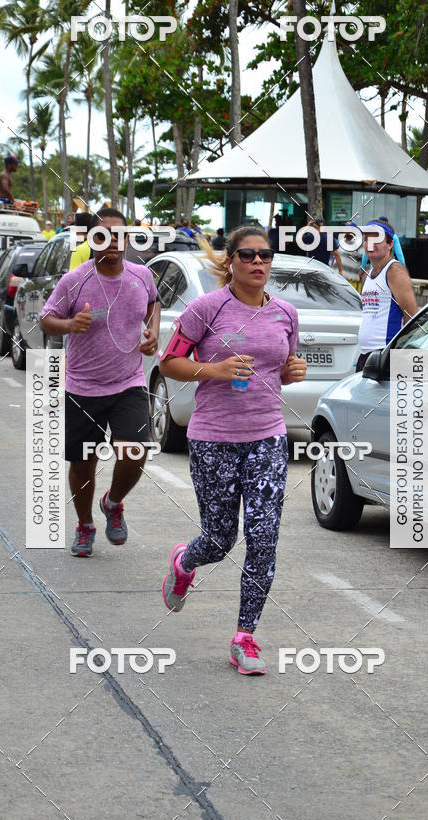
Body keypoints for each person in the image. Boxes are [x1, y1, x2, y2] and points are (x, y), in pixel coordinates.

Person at [158, 226, 307, 676]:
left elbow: (281, 366)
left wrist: (291, 371)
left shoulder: (285, 314)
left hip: (267, 438)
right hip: (213, 438)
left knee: (263, 539)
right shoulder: (206, 309)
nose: (258, 262)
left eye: (265, 255)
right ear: (231, 261)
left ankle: (245, 638)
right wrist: (216, 369)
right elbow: (170, 362)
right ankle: (185, 561)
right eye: (247, 255)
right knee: (220, 540)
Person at [39, 207, 160, 558]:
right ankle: (85, 524)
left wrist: (152, 332)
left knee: (135, 450)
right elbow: (47, 318)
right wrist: (69, 325)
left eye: (121, 235)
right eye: (103, 235)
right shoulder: (73, 281)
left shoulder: (141, 277)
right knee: (82, 464)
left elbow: (154, 302)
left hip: (129, 381)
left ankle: (114, 502)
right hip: (83, 387)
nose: (113, 242)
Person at [356, 220, 418, 372]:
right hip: (366, 356)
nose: (370, 243)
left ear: (390, 244)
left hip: (387, 355)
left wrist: (405, 363)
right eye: (366, 239)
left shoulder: (395, 270)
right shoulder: (367, 274)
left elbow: (412, 317)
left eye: (376, 239)